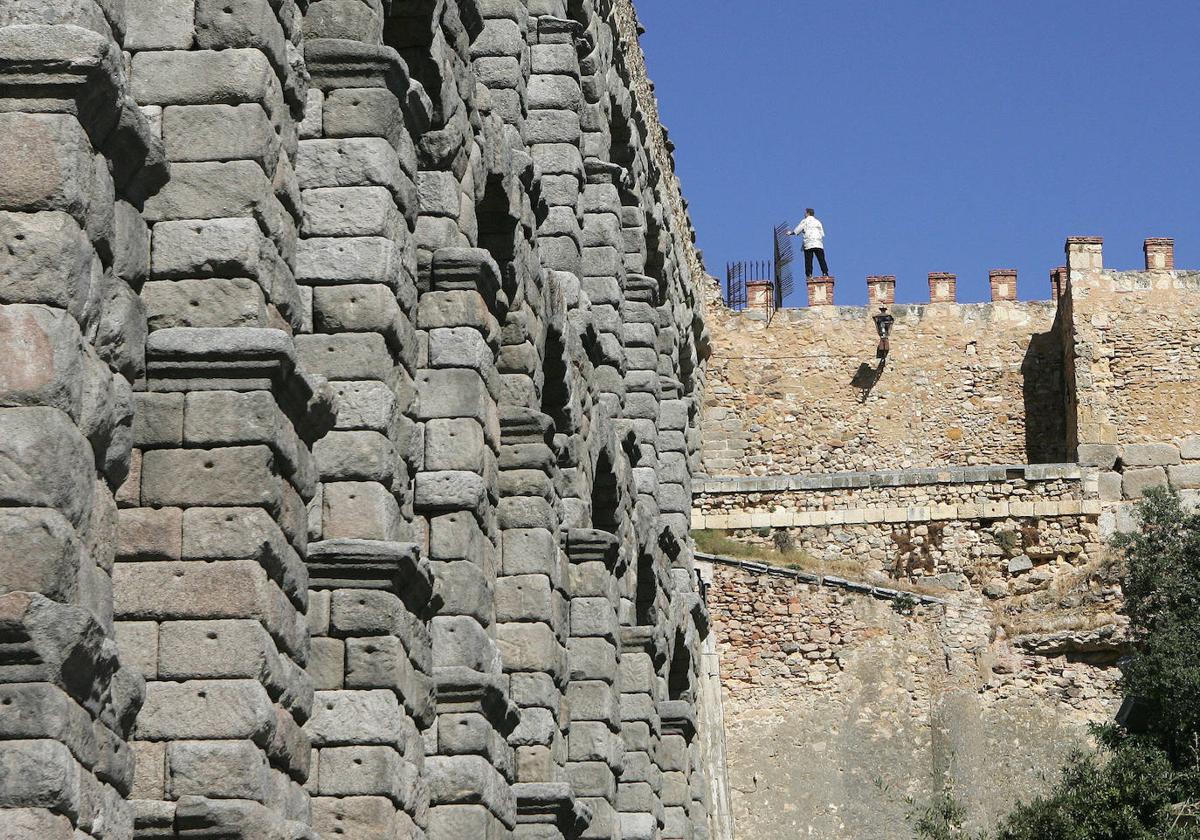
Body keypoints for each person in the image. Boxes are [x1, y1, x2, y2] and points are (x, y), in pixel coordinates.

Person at [790, 208, 830, 278]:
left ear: (808, 213)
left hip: (809, 243)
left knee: (808, 260)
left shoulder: (805, 221)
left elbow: (797, 230)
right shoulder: (818, 222)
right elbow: (822, 234)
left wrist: (790, 233)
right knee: (821, 259)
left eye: (805, 213)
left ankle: (809, 275)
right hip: (818, 244)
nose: (804, 214)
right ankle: (825, 273)